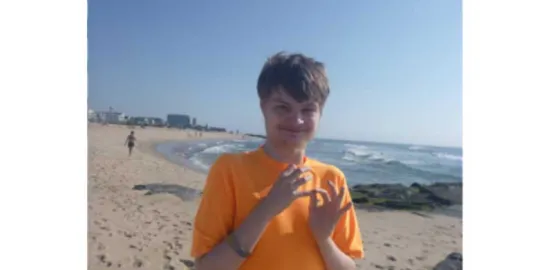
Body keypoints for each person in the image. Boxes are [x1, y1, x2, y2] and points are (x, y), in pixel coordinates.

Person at [191, 52, 363, 270]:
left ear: (321, 113)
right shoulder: (229, 170)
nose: (297, 120)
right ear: (264, 108)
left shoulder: (331, 179)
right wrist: (267, 209)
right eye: (283, 107)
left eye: (308, 109)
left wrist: (324, 239)